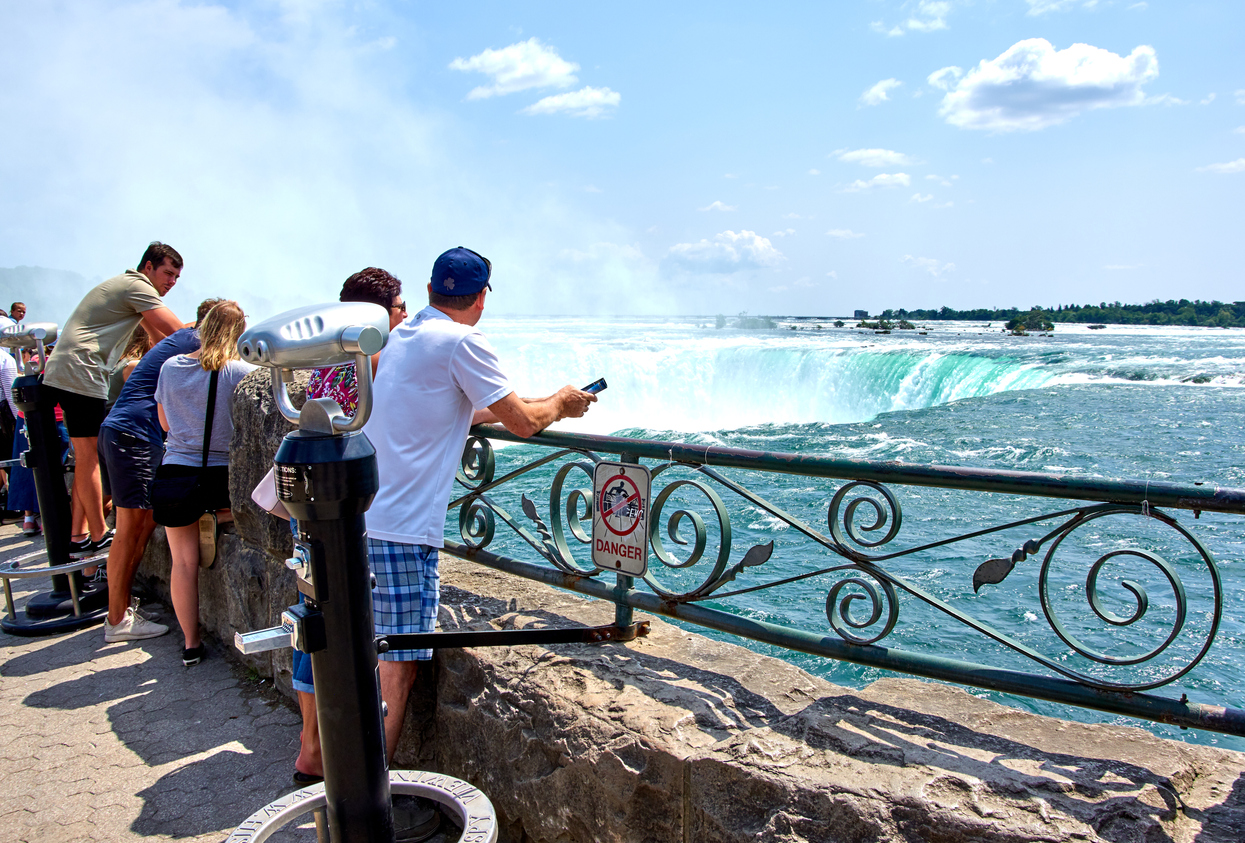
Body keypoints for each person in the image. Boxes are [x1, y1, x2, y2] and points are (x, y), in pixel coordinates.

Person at [362, 247, 595, 769]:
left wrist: (528, 402)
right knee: (395, 665)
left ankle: (338, 776)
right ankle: (367, 802)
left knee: (360, 653)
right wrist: (562, 403)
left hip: (362, 515)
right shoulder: (464, 341)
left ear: (428, 292)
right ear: (482, 298)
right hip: (400, 529)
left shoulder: (403, 335)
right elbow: (523, 424)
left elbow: (451, 402)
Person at [292, 268, 406, 786]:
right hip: (345, 501)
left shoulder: (324, 356)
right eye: (398, 307)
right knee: (346, 618)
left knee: (314, 613)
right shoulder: (375, 358)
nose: (403, 315)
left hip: (313, 496)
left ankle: (311, 747)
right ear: (377, 316)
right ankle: (354, 773)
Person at [42, 243, 186, 559]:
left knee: (85, 457)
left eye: (177, 277)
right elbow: (176, 331)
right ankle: (98, 535)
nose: (172, 282)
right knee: (88, 455)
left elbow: (159, 339)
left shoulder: (129, 290)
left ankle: (79, 535)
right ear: (148, 267)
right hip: (82, 369)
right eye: (168, 273)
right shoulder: (136, 285)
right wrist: (211, 328)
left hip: (69, 368)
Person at [98, 299, 222, 643]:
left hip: (123, 431)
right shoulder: (193, 343)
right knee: (129, 528)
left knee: (142, 524)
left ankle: (120, 609)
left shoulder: (180, 341)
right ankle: (117, 621)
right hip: (134, 434)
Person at [153, 301, 255, 665]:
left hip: (176, 476)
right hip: (218, 479)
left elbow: (165, 424)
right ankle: (220, 516)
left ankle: (191, 644)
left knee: (182, 562)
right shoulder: (242, 371)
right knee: (249, 510)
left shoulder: (170, 367)